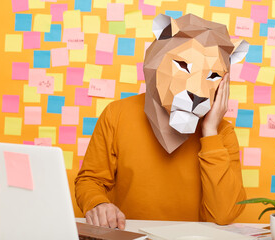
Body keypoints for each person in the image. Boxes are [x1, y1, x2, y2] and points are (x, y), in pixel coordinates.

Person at [75, 14, 247, 230]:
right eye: (183, 65)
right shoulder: (117, 114)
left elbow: (224, 215)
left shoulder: (221, 132)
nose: (196, 91)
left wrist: (210, 131)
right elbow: (90, 180)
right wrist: (97, 203)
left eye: (212, 76)